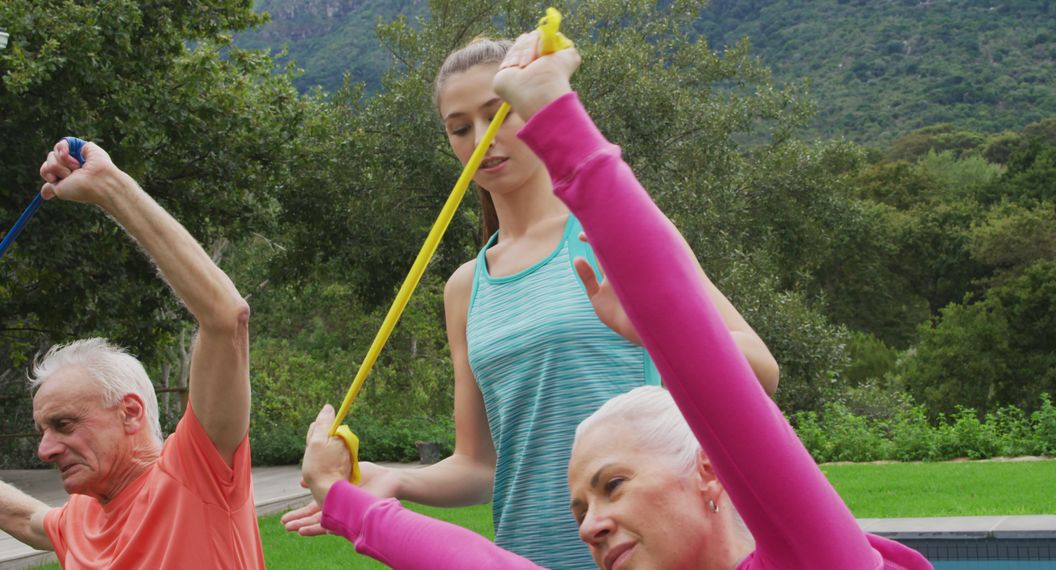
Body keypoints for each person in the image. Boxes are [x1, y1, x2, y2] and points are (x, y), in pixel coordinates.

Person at [296, 30, 933, 569]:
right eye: (459, 128)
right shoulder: (466, 287)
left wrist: (659, 328)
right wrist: (387, 482)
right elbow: (481, 465)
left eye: (499, 112)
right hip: (530, 550)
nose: (480, 138)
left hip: (670, 538)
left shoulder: (619, 240)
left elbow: (756, 375)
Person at [0, 140, 264, 568]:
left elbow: (225, 316)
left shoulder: (197, 474)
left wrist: (109, 188)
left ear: (130, 412)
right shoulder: (80, 517)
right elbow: (26, 518)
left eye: (63, 424)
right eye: (43, 430)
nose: (45, 449)